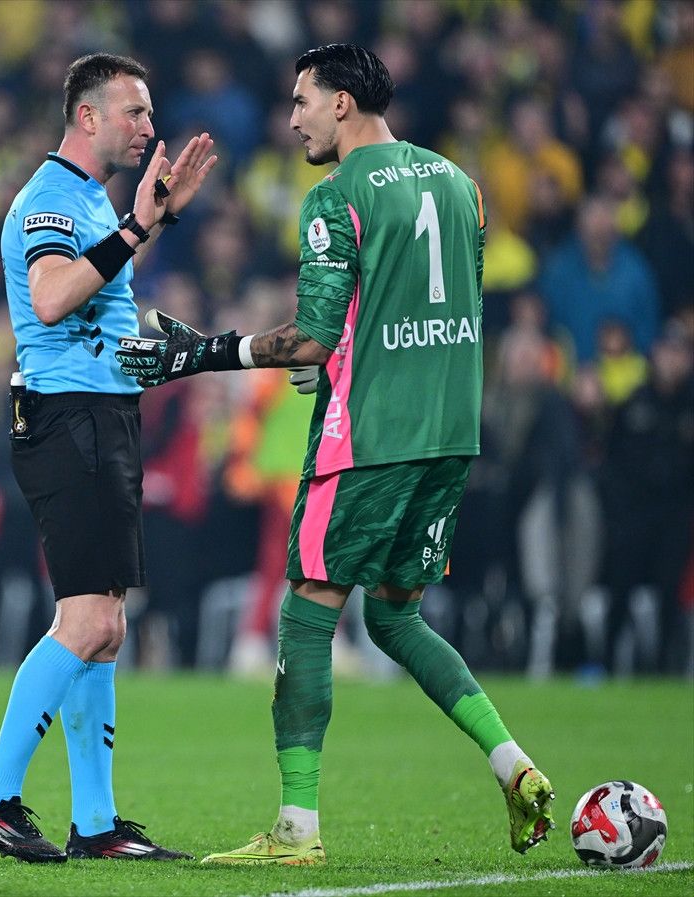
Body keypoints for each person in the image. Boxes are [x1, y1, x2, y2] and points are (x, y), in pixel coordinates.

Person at [116, 43, 555, 866]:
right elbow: (427, 311)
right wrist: (342, 356)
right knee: (392, 615)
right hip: (448, 436)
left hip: (370, 439)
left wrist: (200, 353)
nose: (292, 120)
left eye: (302, 101)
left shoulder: (335, 195)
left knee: (307, 614)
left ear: (343, 102)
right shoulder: (462, 186)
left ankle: (296, 827)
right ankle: (513, 764)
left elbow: (313, 336)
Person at [0, 52, 217, 863]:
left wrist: (151, 224)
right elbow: (50, 298)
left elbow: (99, 308)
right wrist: (137, 227)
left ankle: (96, 822)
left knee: (107, 628)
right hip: (68, 420)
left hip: (100, 415)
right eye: (134, 112)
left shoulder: (89, 199)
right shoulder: (50, 198)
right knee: (88, 621)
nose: (148, 127)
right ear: (87, 115)